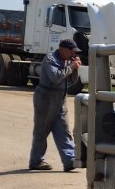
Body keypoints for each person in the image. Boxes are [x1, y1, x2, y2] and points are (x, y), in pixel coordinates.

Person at [29, 39, 81, 171]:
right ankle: (36, 161)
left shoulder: (69, 61)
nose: (73, 55)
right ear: (63, 49)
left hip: (60, 99)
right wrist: (71, 67)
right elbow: (55, 77)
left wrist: (75, 70)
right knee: (42, 129)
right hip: (46, 98)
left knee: (64, 130)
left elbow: (71, 82)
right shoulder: (50, 58)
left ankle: (69, 160)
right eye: (72, 52)